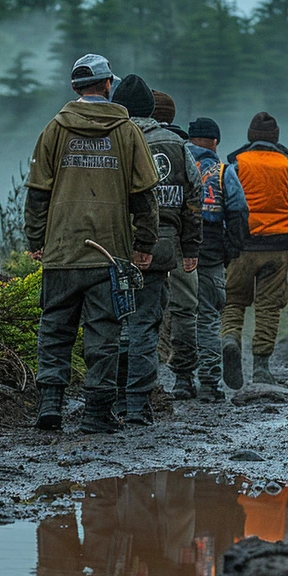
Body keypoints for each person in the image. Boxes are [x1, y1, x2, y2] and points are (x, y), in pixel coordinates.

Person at [24, 55, 160, 434]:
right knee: (104, 332)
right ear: (107, 85)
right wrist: (144, 243)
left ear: (74, 88)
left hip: (62, 250)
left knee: (54, 328)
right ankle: (96, 414)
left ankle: (50, 405)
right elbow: (145, 196)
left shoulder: (54, 128)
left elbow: (37, 192)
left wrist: (37, 239)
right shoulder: (127, 130)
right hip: (108, 253)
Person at [112, 78, 201, 424]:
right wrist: (190, 246)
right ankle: (137, 405)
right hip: (162, 248)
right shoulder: (177, 145)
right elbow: (194, 197)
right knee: (145, 327)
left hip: (114, 247)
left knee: (115, 326)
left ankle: (113, 400)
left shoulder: (111, 138)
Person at [221, 112, 288, 389]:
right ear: (276, 137)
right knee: (269, 307)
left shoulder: (236, 165)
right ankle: (261, 368)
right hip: (276, 247)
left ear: (250, 136)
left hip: (242, 246)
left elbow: (226, 200)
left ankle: (229, 340)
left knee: (234, 301)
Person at [184, 117, 246, 401]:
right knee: (208, 318)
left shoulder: (174, 161)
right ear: (215, 142)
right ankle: (209, 384)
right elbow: (238, 214)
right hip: (209, 254)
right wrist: (231, 252)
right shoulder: (223, 171)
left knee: (180, 316)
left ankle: (181, 382)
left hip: (174, 250)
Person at [151, 91, 202, 398]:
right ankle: (183, 377)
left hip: (135, 238)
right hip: (179, 241)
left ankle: (139, 379)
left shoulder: (131, 139)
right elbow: (195, 198)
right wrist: (192, 246)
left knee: (139, 308)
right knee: (184, 310)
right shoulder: (183, 148)